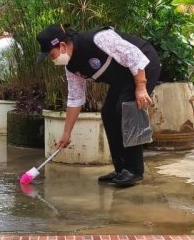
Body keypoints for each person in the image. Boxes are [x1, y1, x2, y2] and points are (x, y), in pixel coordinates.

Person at [35, 24, 161, 188]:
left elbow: (134, 56)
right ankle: (121, 169)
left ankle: (134, 170)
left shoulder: (97, 39)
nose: (52, 61)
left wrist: (141, 87)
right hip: (123, 78)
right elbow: (75, 99)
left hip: (143, 66)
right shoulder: (71, 67)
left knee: (126, 108)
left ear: (63, 46)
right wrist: (66, 134)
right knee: (108, 113)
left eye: (52, 55)